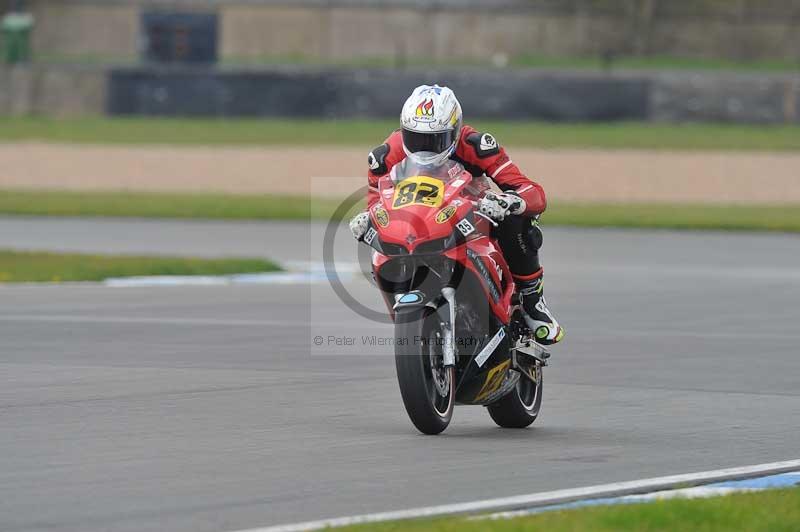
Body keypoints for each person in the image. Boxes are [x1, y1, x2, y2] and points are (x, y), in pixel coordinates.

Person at [349, 84, 563, 345]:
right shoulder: (385, 155)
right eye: (416, 139)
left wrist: (509, 202)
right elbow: (377, 201)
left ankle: (532, 300)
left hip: (473, 215)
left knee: (517, 222)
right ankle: (407, 315)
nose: (424, 149)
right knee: (379, 245)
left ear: (455, 130)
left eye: (434, 140)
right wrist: (368, 218)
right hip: (420, 222)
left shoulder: (476, 145)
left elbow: (531, 192)